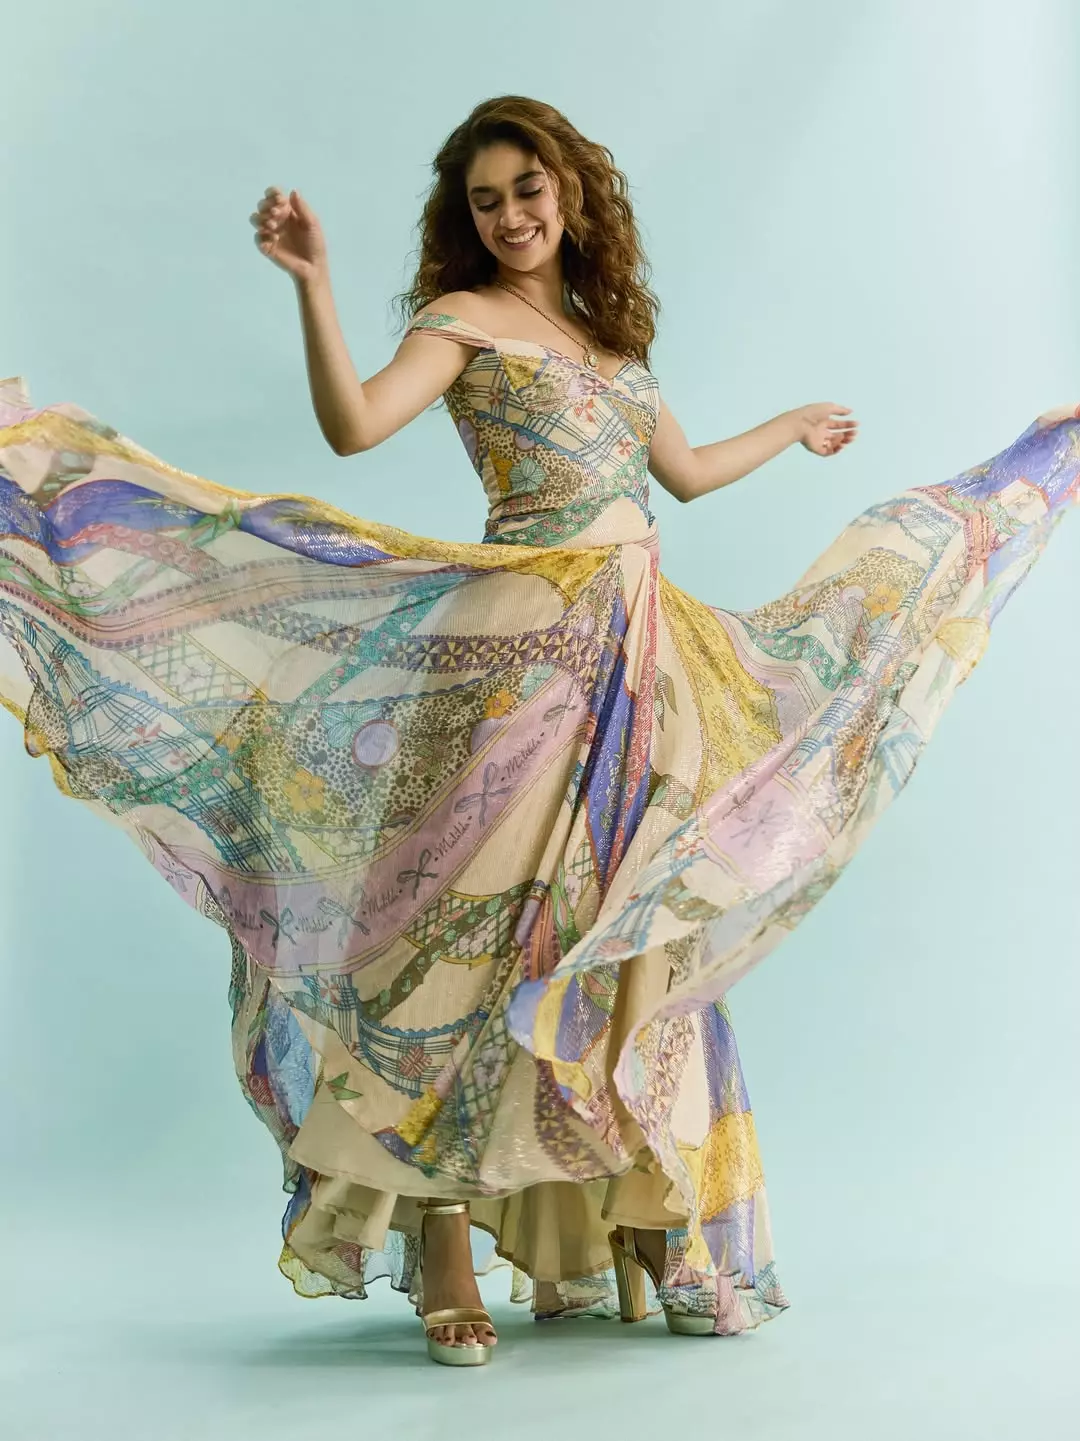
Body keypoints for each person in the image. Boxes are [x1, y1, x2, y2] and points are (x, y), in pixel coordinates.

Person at [0, 96, 1076, 1370]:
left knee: (624, 931)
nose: (512, 214)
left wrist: (790, 427)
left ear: (570, 193)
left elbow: (680, 475)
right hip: (515, 657)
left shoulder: (612, 339)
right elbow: (354, 425)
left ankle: (648, 1215)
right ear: (467, 220)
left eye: (529, 189)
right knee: (470, 943)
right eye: (487, 199)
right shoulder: (459, 322)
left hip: (640, 657)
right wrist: (314, 283)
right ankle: (443, 1245)